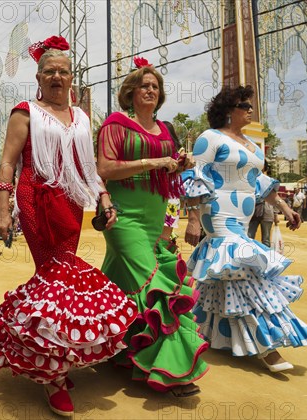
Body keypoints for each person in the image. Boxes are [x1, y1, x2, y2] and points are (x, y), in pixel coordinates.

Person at [0, 36, 137, 417]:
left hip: (72, 202)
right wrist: (2, 207)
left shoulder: (81, 117)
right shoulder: (25, 112)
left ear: (71, 77)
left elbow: (90, 167)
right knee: (55, 277)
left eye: (63, 71)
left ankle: (44, 351)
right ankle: (53, 375)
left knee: (58, 280)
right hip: (36, 198)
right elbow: (8, 163)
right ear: (39, 77)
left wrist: (105, 199)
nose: (57, 76)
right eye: (50, 71)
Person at [182, 85, 307, 373]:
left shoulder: (252, 146)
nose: (250, 110)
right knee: (245, 271)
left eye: (249, 105)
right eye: (244, 105)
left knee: (225, 276)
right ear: (228, 110)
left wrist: (285, 208)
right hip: (218, 213)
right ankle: (268, 346)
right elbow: (194, 176)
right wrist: (194, 218)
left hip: (243, 217)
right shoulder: (211, 138)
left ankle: (202, 333)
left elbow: (260, 184)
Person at [96, 57, 207, 397]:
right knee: (155, 283)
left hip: (156, 216)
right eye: (144, 85)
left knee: (119, 284)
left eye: (155, 86)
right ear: (130, 92)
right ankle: (171, 368)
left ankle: (116, 348)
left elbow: (168, 171)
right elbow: (105, 168)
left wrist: (178, 164)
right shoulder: (115, 124)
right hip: (123, 215)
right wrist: (154, 160)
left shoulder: (167, 130)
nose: (150, 90)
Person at [247, 160, 278, 247]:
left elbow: (275, 198)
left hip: (268, 213)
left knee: (266, 240)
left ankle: (266, 259)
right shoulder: (251, 180)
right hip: (254, 213)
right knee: (249, 237)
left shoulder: (271, 181)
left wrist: (275, 214)